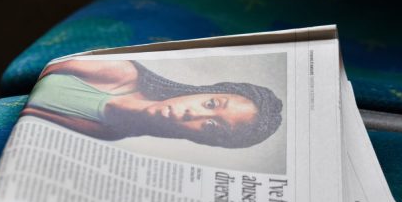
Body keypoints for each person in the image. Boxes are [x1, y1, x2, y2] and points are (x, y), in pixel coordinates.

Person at [22, 59, 282, 148]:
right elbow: (34, 74)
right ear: (202, 92)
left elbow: (33, 114)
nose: (193, 115)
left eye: (212, 126)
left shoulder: (114, 132)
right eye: (211, 104)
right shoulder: (121, 73)